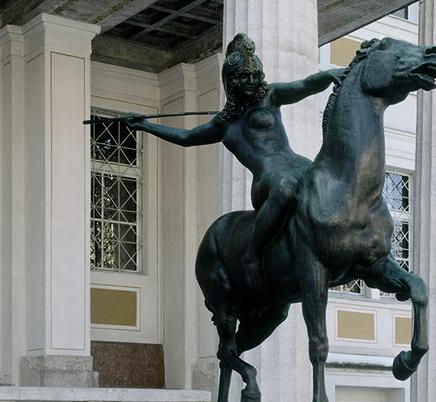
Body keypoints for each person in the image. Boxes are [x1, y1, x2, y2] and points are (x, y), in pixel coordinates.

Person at [126, 33, 343, 288]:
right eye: (244, 77)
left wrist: (329, 75)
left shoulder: (271, 96)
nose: (251, 81)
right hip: (268, 181)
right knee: (286, 189)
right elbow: (187, 137)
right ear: (231, 81)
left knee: (334, 185)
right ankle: (252, 255)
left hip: (301, 167)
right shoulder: (224, 123)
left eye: (255, 76)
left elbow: (305, 85)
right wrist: (145, 125)